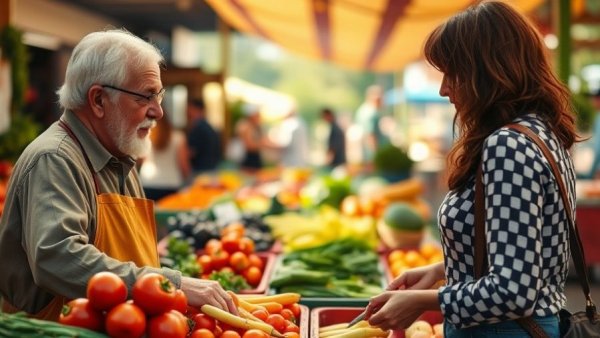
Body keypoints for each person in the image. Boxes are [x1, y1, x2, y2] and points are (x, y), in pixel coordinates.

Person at [364, 2, 579, 337]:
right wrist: (440, 270)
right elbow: (516, 251)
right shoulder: (540, 132)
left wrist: (424, 300)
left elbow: (513, 291)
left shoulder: (508, 145)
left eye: (453, 73)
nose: (444, 89)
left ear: (488, 71)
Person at [0, 29, 236, 320]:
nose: (159, 112)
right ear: (99, 100)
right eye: (146, 97)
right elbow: (57, 256)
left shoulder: (119, 156)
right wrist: (172, 286)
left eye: (159, 96)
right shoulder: (55, 159)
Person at [139, 112, 191, 200]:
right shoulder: (178, 137)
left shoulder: (145, 135)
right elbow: (184, 165)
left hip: (148, 183)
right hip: (171, 183)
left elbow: (141, 159)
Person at [186, 98, 221, 174]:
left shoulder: (198, 127)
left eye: (189, 108)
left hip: (201, 170)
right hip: (212, 168)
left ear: (194, 108)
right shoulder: (208, 126)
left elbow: (191, 152)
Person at [355, 84, 387, 165]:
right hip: (371, 155)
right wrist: (376, 156)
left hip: (366, 154)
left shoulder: (364, 110)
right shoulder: (370, 112)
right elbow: (370, 136)